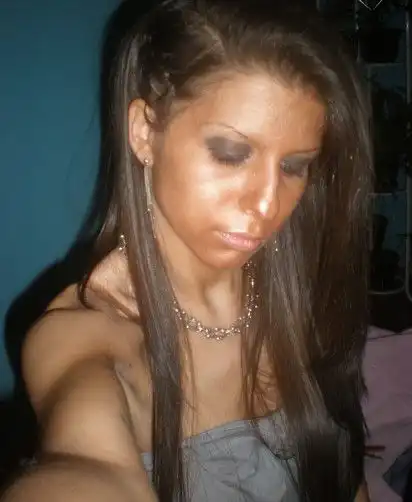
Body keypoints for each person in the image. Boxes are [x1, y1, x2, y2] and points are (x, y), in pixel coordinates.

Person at [2, 0, 373, 501]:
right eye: (230, 154)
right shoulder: (87, 335)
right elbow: (88, 466)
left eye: (294, 167)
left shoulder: (294, 291)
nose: (268, 205)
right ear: (144, 133)